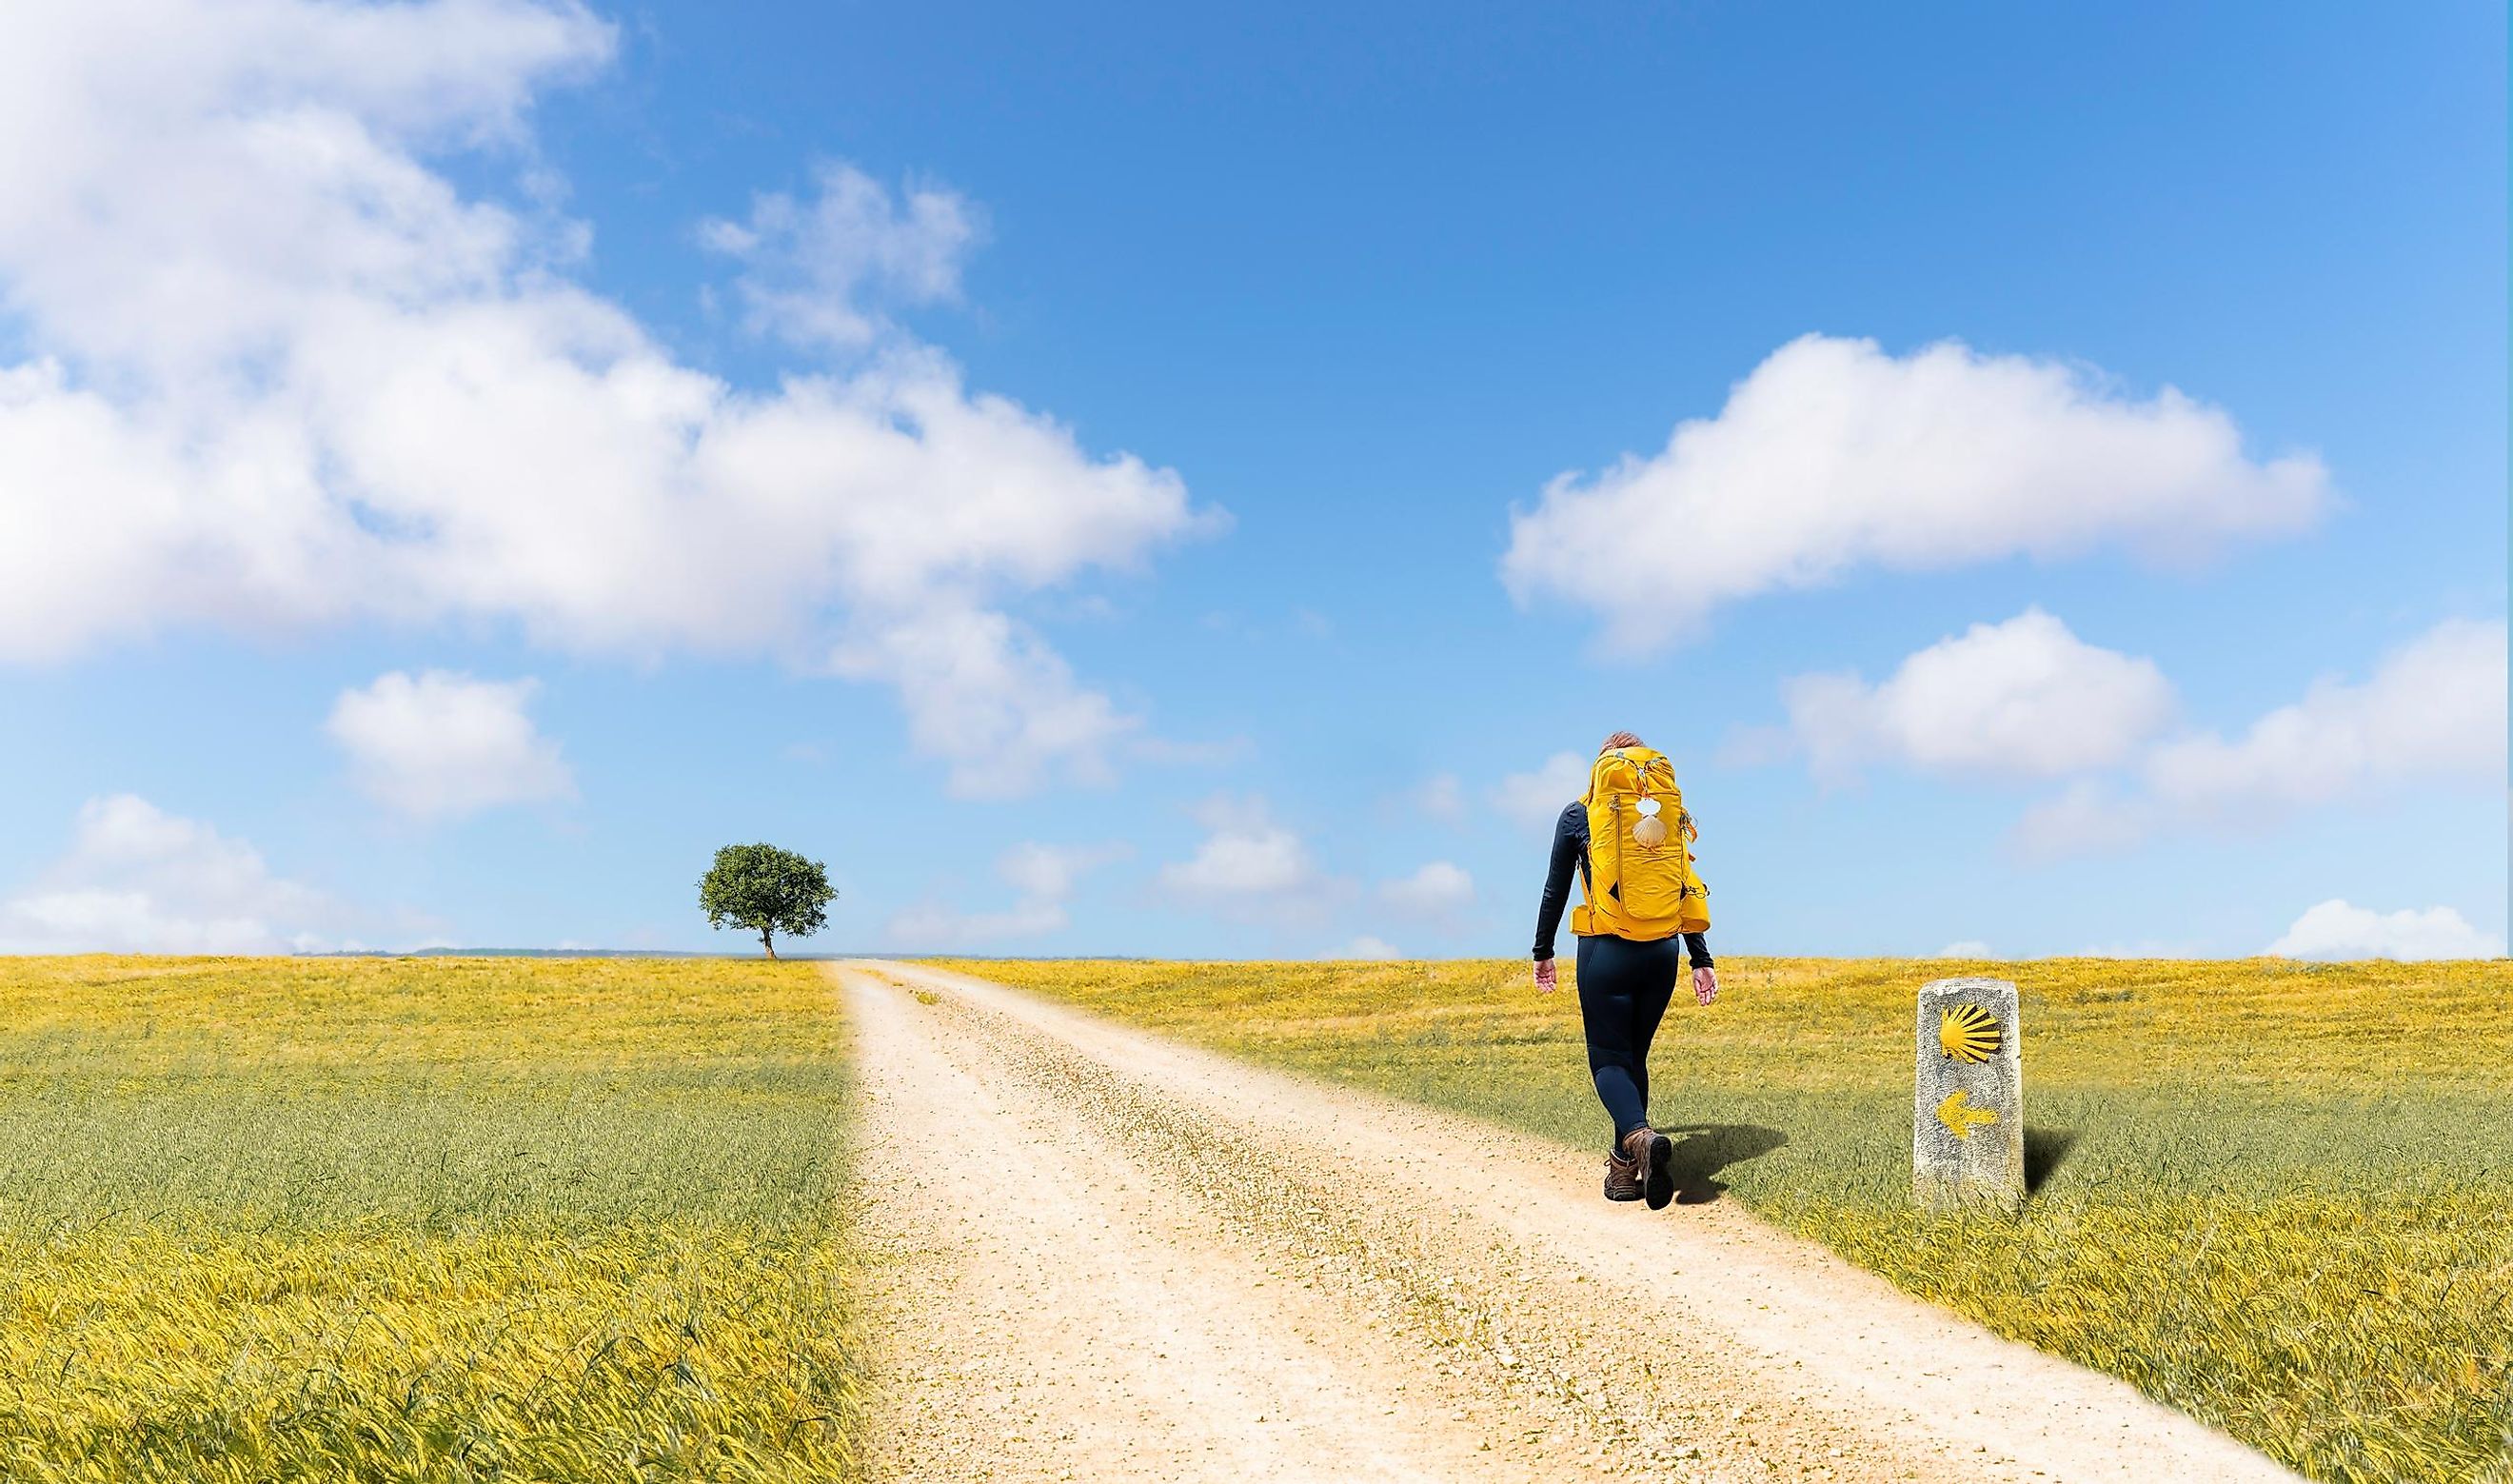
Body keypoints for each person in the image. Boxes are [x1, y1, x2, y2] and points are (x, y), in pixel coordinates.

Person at [1532, 730, 1718, 1209]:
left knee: (1609, 1060)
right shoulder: (1665, 812)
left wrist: (1542, 950)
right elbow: (1683, 882)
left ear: (1601, 769)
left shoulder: (1580, 814)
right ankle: (1624, 1169)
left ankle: (1637, 1136)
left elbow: (1556, 888)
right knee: (1635, 1057)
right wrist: (1700, 957)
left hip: (1606, 951)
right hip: (1663, 950)